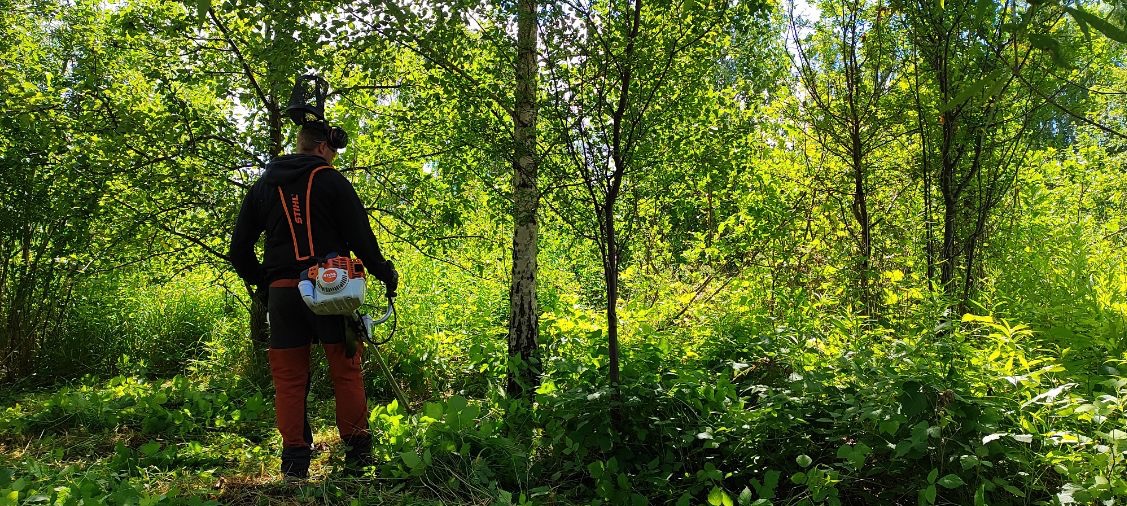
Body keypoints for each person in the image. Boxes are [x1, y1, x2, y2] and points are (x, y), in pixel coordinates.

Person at [228, 122, 398, 479]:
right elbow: (362, 239)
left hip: (284, 293)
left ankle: (294, 465)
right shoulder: (332, 181)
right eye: (334, 152)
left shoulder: (264, 186)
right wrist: (385, 273)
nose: (334, 159)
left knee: (288, 378)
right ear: (323, 148)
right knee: (345, 370)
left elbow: (238, 250)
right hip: (331, 288)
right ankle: (357, 456)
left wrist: (266, 282)